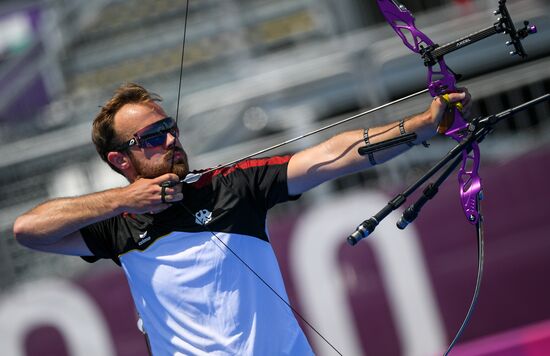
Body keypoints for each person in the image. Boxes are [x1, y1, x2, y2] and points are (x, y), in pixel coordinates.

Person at [13, 83, 471, 355]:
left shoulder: (229, 186)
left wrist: (421, 127)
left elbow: (331, 157)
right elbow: (28, 230)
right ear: (121, 159)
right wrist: (122, 201)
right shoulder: (117, 224)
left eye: (170, 126)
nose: (171, 138)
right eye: (153, 136)